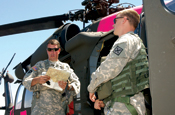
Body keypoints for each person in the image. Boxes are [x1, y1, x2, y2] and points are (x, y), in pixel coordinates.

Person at [88, 9, 149, 115]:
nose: (113, 25)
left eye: (115, 20)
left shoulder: (125, 40)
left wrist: (92, 86)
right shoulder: (135, 40)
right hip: (128, 103)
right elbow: (122, 79)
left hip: (125, 105)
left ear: (124, 20)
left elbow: (110, 68)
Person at [23, 39, 80, 115]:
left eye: (55, 49)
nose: (52, 52)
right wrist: (37, 80)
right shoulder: (39, 65)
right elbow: (25, 80)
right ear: (47, 51)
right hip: (40, 111)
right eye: (50, 49)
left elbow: (76, 83)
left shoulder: (65, 67)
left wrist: (68, 86)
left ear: (59, 50)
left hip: (58, 110)